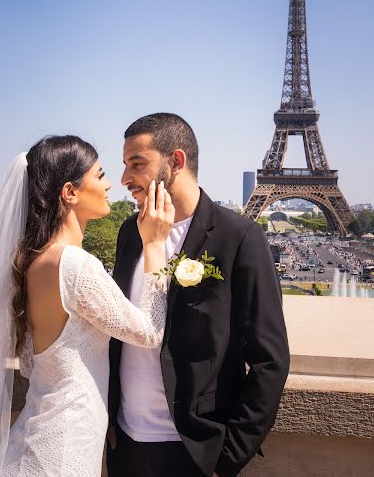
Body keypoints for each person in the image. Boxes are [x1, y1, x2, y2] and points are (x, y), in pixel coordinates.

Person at [0, 135, 175, 477]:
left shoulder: (32, 263)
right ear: (70, 192)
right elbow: (149, 332)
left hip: (34, 438)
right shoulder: (76, 265)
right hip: (64, 449)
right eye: (99, 175)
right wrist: (155, 244)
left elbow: (28, 363)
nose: (111, 183)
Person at [107, 113, 290, 477]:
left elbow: (270, 359)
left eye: (137, 164)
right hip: (124, 445)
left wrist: (229, 457)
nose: (125, 179)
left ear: (176, 161)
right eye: (125, 166)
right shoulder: (130, 232)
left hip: (195, 451)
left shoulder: (238, 237)